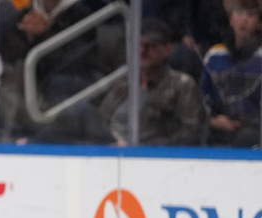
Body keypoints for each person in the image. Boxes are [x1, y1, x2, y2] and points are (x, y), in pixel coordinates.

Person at [99, 19, 204, 146]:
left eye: (151, 46)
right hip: (110, 153)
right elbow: (101, 120)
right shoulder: (123, 82)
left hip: (153, 157)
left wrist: (142, 149)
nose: (142, 51)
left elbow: (191, 133)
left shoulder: (182, 84)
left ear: (168, 50)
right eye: (138, 45)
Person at [201, 0, 262, 147]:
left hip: (254, 132)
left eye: (251, 15)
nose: (244, 19)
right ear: (231, 20)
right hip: (217, 130)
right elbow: (202, 99)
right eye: (239, 13)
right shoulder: (215, 55)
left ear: (259, 23)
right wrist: (212, 121)